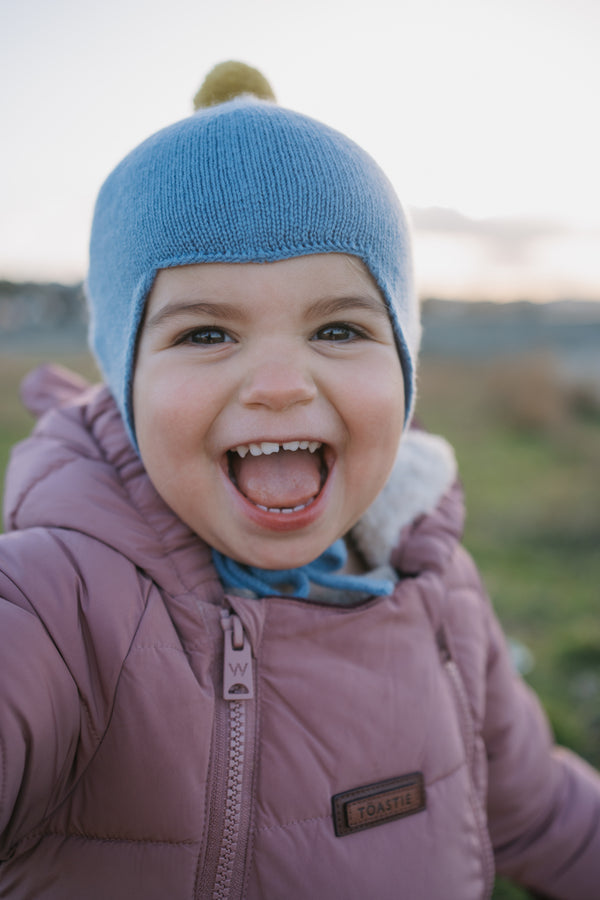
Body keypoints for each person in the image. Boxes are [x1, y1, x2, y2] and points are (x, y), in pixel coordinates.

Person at [0, 61, 598, 900]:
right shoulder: (57, 607)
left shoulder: (441, 591)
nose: (280, 385)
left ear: (404, 366)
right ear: (126, 384)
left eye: (340, 329)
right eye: (206, 334)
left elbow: (540, 814)